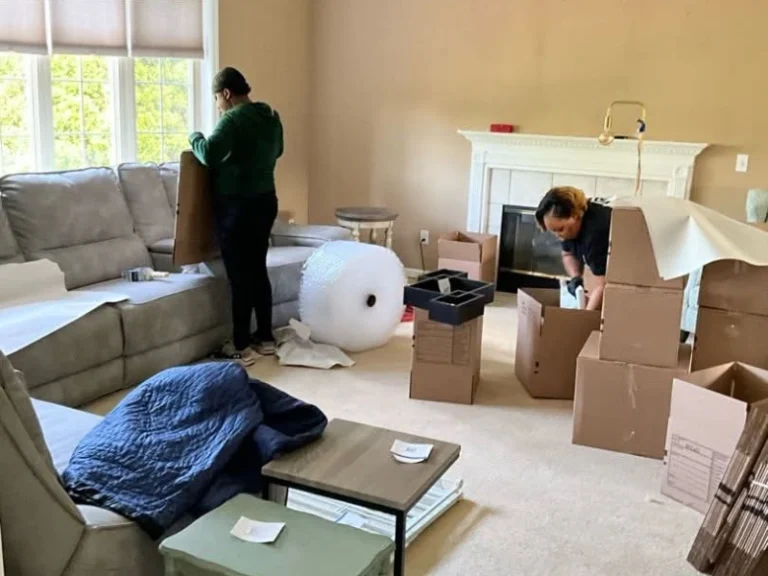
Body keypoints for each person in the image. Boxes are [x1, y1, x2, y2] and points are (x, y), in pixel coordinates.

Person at [188, 66, 283, 366]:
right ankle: (265, 338)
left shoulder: (232, 120)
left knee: (239, 276)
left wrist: (195, 137)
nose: (218, 105)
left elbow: (209, 154)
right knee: (258, 269)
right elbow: (278, 151)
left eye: (217, 98)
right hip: (266, 202)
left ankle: (240, 345)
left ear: (227, 94)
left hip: (237, 207)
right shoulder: (270, 116)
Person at [534, 186, 611, 311]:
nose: (558, 236)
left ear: (575, 215)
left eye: (560, 229)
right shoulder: (571, 230)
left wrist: (583, 317)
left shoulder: (595, 234)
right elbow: (567, 254)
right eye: (554, 231)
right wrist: (576, 277)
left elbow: (603, 286)